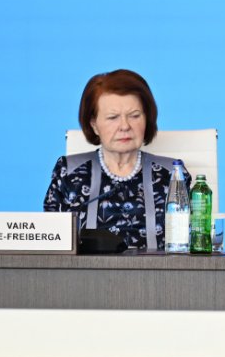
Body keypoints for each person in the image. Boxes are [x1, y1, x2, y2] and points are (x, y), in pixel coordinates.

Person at [44, 69, 189, 250]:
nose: (125, 126)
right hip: (85, 269)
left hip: (160, 269)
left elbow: (194, 242)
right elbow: (50, 243)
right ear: (94, 124)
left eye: (134, 116)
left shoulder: (173, 174)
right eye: (113, 117)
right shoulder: (69, 173)